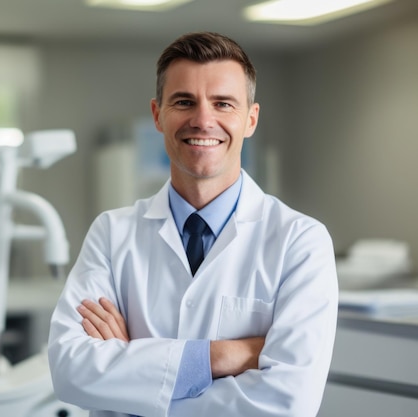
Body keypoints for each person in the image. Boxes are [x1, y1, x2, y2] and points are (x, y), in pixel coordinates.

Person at [47, 31, 338, 417]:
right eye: (184, 102)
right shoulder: (111, 234)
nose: (203, 120)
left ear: (250, 120)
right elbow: (70, 370)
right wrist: (226, 355)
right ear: (157, 115)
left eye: (223, 104)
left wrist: (134, 372)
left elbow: (287, 403)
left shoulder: (301, 242)